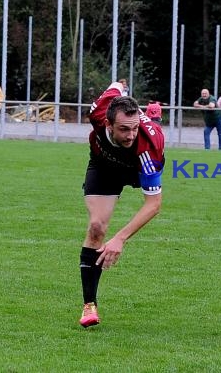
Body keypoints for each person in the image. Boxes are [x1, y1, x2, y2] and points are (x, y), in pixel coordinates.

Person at [78, 81, 165, 328]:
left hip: (136, 168)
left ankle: (154, 119)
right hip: (104, 165)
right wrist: (120, 84)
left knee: (149, 135)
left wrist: (120, 238)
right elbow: (115, 87)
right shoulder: (98, 113)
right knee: (96, 227)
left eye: (134, 128)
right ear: (108, 123)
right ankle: (89, 306)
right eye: (124, 129)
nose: (130, 135)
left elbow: (154, 204)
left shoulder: (149, 147)